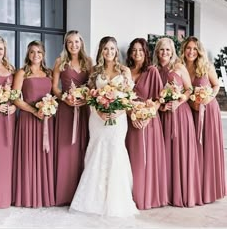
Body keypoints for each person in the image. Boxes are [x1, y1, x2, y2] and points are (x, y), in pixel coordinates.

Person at [70, 36, 138, 217]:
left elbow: (129, 98)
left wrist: (118, 112)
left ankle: (116, 200)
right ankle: (93, 200)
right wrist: (98, 111)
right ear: (101, 51)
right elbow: (90, 95)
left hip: (118, 118)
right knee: (96, 151)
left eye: (112, 49)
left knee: (116, 151)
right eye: (105, 49)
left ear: (116, 51)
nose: (109, 52)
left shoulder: (124, 71)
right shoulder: (94, 71)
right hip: (97, 118)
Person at [153, 37, 203, 207]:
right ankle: (166, 195)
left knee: (181, 153)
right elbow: (153, 96)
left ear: (172, 51)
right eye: (161, 49)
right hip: (163, 118)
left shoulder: (179, 67)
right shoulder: (154, 70)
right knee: (165, 155)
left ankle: (184, 194)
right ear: (157, 52)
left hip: (181, 116)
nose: (164, 53)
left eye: (167, 49)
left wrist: (179, 101)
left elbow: (189, 90)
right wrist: (160, 107)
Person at [180, 36, 226, 203]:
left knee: (207, 148)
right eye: (188, 48)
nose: (191, 51)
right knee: (195, 151)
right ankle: (196, 188)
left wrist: (209, 97)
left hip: (208, 111)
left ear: (199, 51)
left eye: (194, 48)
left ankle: (210, 191)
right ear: (184, 50)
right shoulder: (180, 67)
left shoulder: (206, 66)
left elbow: (216, 85)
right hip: (190, 112)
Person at [125, 38, 168, 209]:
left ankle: (147, 197)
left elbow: (159, 99)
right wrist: (132, 115)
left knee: (145, 160)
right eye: (134, 50)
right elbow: (123, 98)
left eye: (140, 51)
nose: (137, 54)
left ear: (146, 53)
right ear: (130, 52)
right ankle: (131, 197)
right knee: (131, 160)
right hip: (130, 121)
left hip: (148, 122)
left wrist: (147, 116)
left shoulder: (152, 71)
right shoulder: (126, 71)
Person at [12, 40, 55, 207]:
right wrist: (33, 110)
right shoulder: (22, 73)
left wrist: (49, 108)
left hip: (45, 121)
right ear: (28, 54)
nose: (35, 55)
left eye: (39, 52)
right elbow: (15, 98)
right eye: (32, 52)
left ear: (43, 54)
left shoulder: (49, 73)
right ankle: (28, 196)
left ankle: (43, 195)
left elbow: (53, 96)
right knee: (28, 156)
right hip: (28, 119)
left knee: (43, 155)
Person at [52, 30, 92, 206]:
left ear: (81, 43)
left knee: (83, 148)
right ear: (65, 45)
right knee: (65, 148)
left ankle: (81, 194)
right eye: (70, 42)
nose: (73, 45)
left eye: (76, 42)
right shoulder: (60, 62)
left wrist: (84, 98)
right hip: (66, 110)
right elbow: (54, 87)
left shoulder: (88, 62)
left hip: (83, 109)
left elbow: (92, 85)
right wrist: (65, 99)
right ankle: (63, 193)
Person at [0, 36, 16, 208]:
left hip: (9, 116)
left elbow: (17, 92)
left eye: (0, 49)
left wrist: (14, 106)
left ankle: (5, 197)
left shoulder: (10, 68)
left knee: (7, 156)